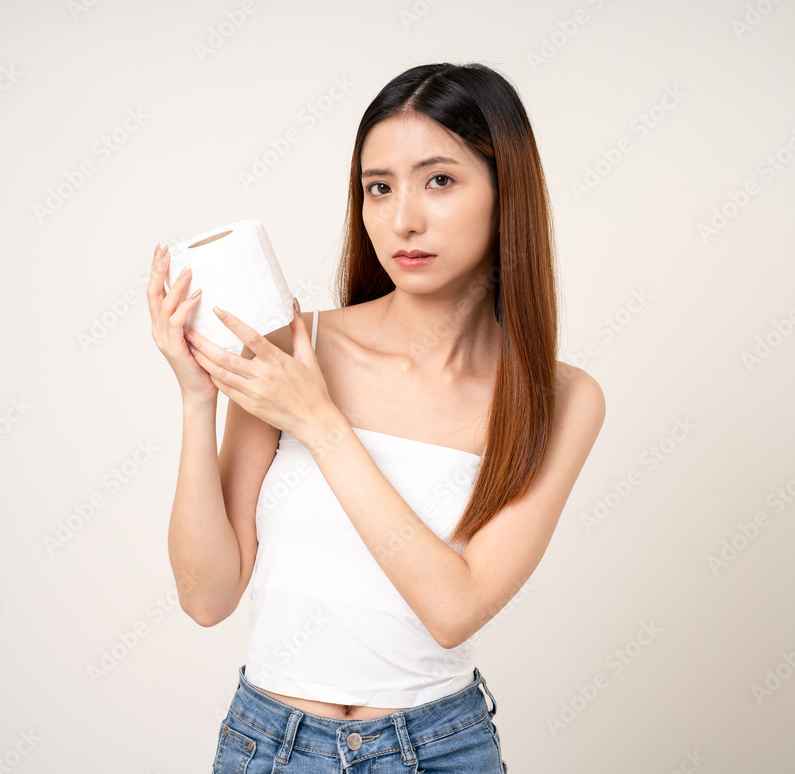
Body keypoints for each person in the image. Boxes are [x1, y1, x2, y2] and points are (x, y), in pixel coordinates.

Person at [148, 61, 605, 773]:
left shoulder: (561, 397)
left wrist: (323, 425)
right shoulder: (297, 348)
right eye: (379, 187)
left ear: (504, 191)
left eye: (440, 180)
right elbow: (207, 598)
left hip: (440, 750)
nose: (403, 219)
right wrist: (197, 398)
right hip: (269, 746)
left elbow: (455, 609)